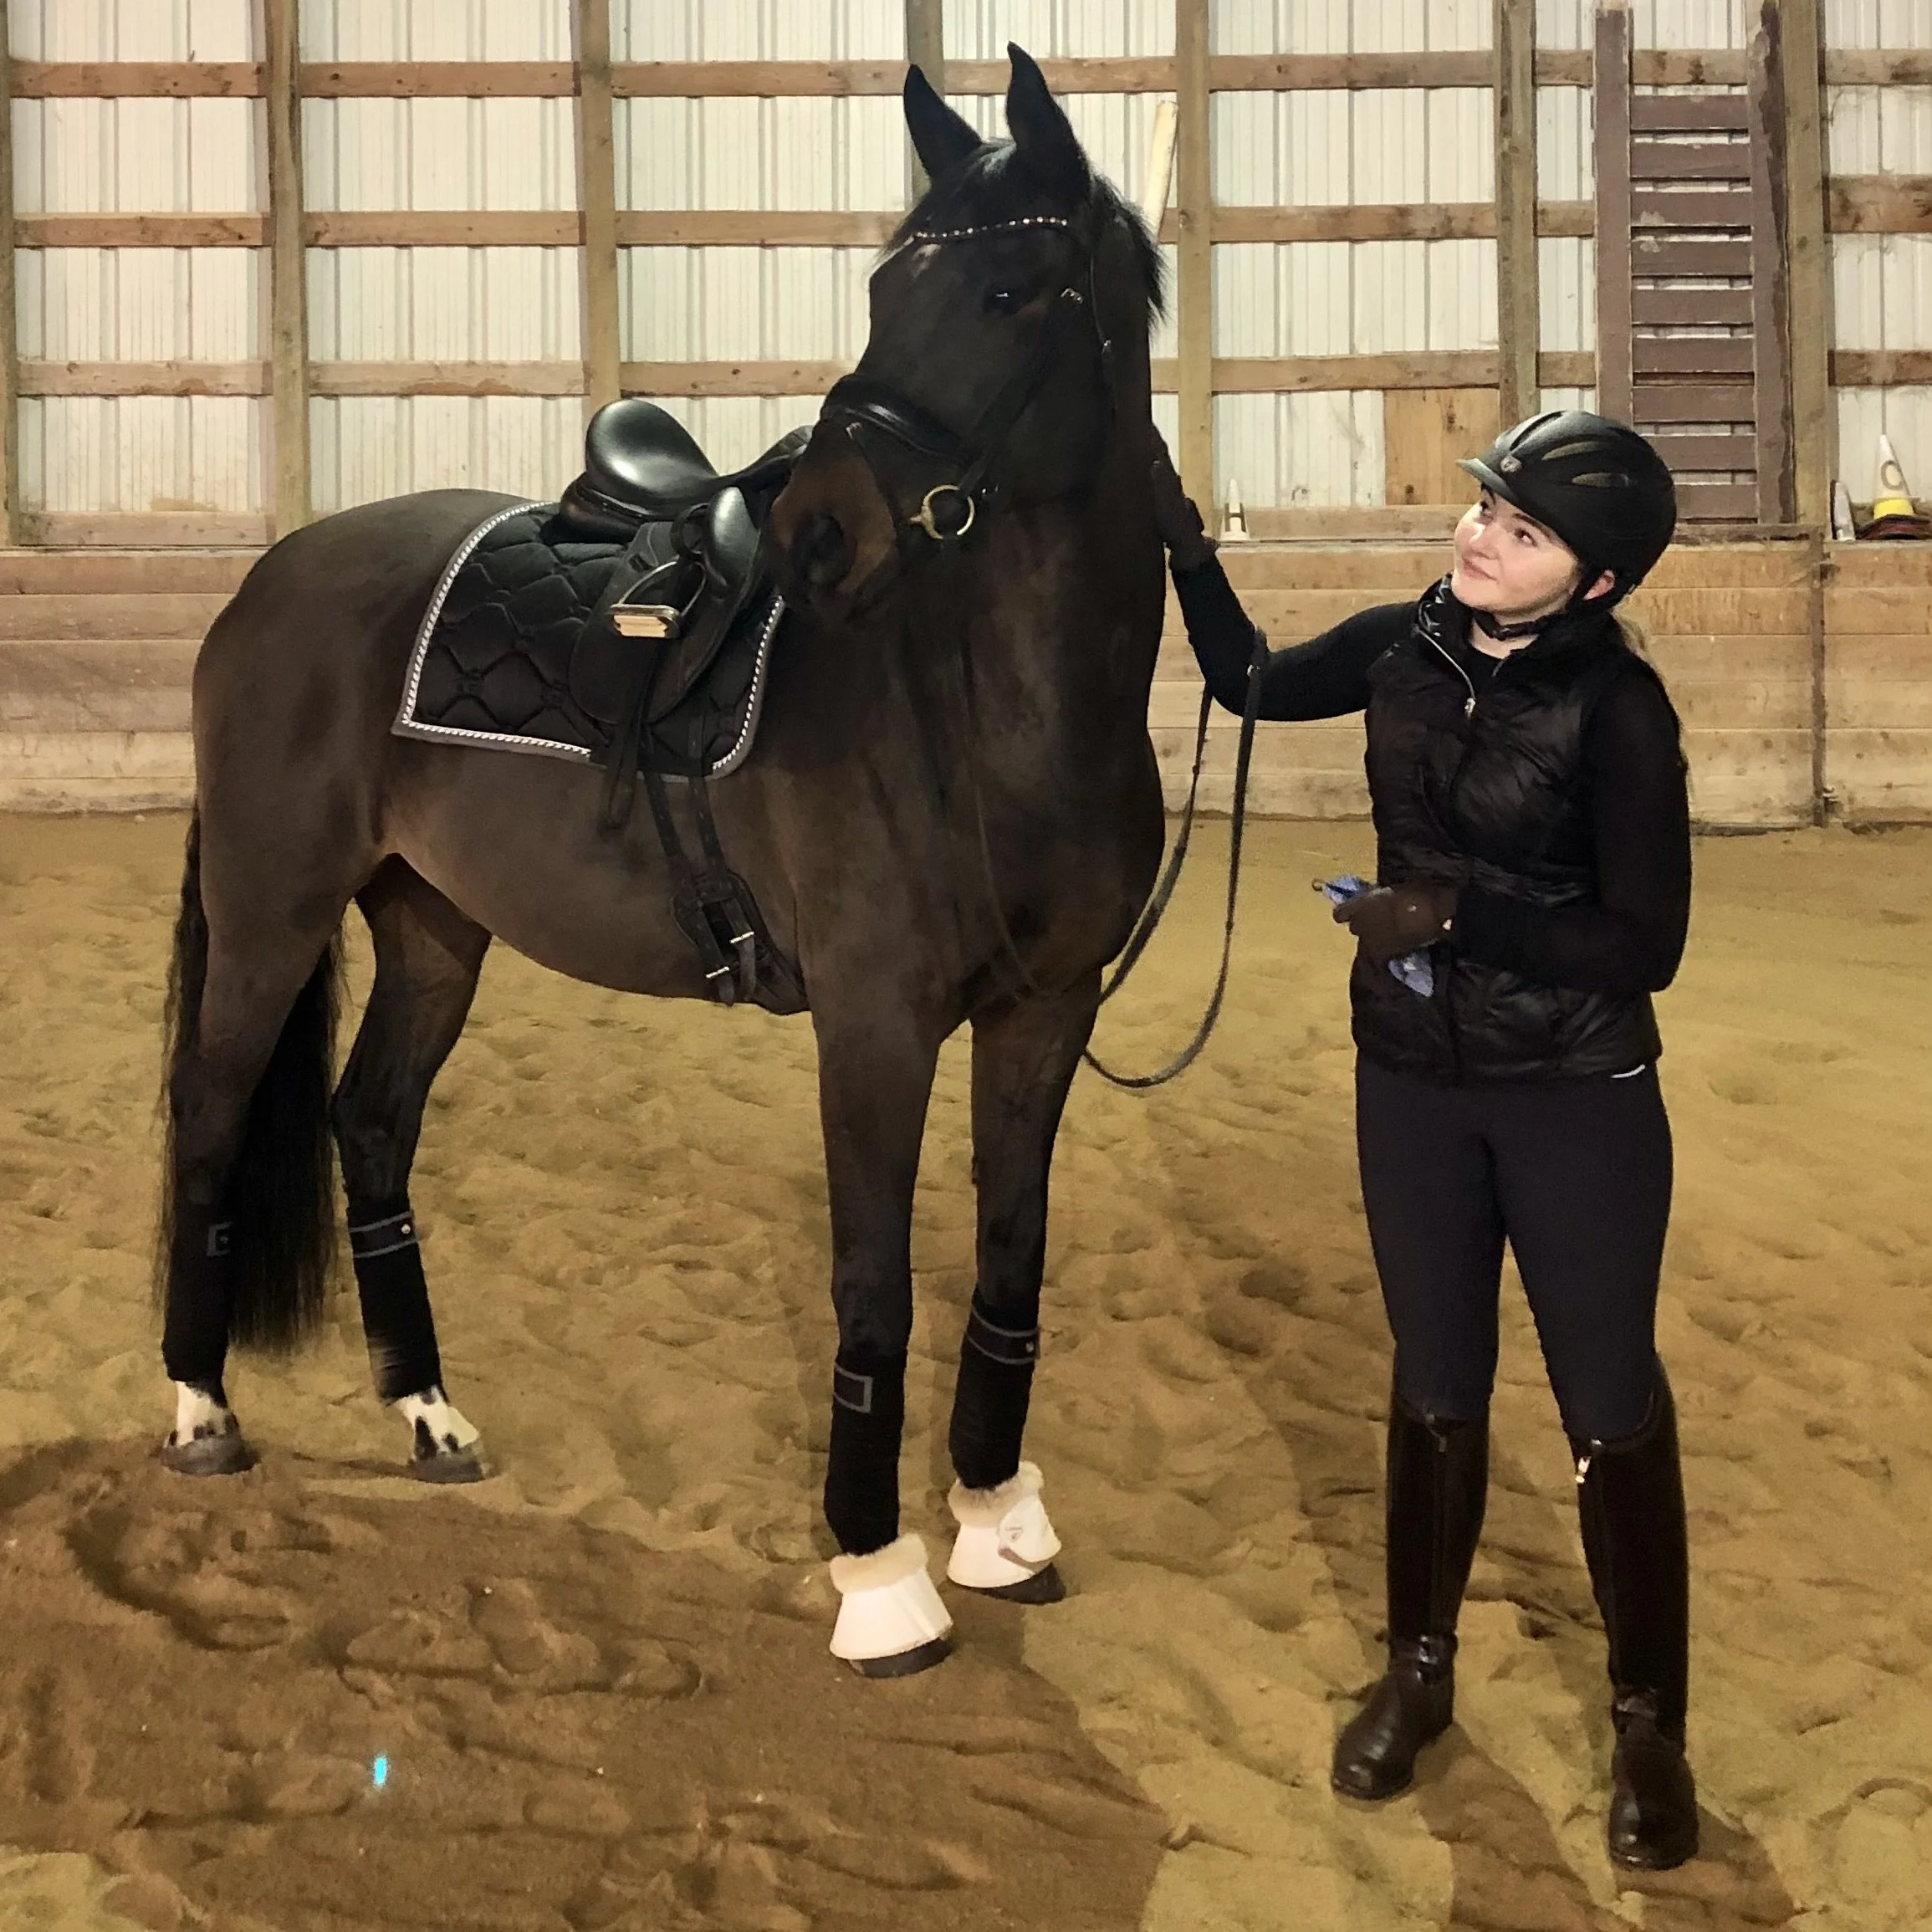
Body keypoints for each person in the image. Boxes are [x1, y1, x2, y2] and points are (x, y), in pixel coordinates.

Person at [1151, 411, 1698, 1871]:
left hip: (1574, 1095)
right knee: (1436, 1381)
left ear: (1592, 584)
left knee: (1605, 1401)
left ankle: (1649, 1721)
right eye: (1484, 508)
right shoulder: (1405, 644)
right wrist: (1184, 546)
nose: (1477, 537)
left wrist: (1457, 916)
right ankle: (1417, 1670)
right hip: (1410, 1084)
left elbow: (1644, 941)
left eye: (1520, 531)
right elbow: (1248, 682)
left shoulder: (1618, 712)